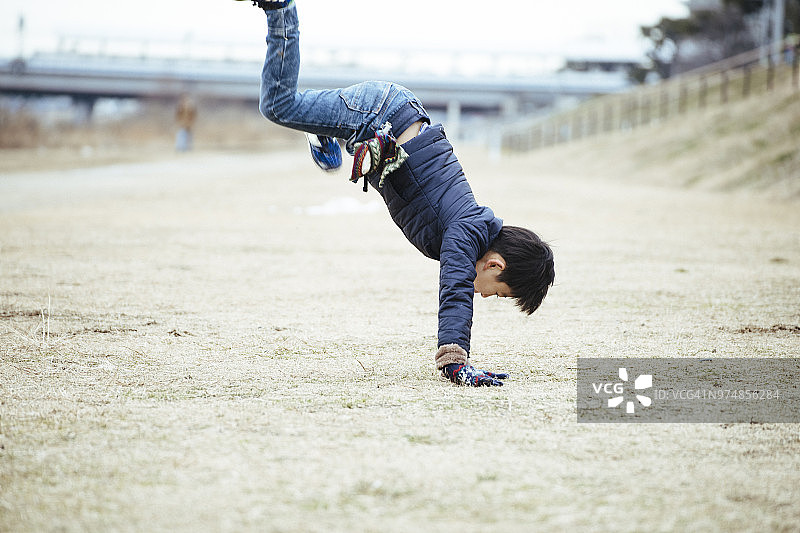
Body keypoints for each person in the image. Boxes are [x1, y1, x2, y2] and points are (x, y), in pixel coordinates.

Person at [243, 0, 555, 387]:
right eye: (500, 294)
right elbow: (456, 289)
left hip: (387, 115)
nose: (489, 297)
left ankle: (328, 137)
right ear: (495, 266)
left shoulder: (469, 229)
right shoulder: (465, 234)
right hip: (379, 113)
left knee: (327, 157)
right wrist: (455, 360)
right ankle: (281, 10)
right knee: (279, 105)